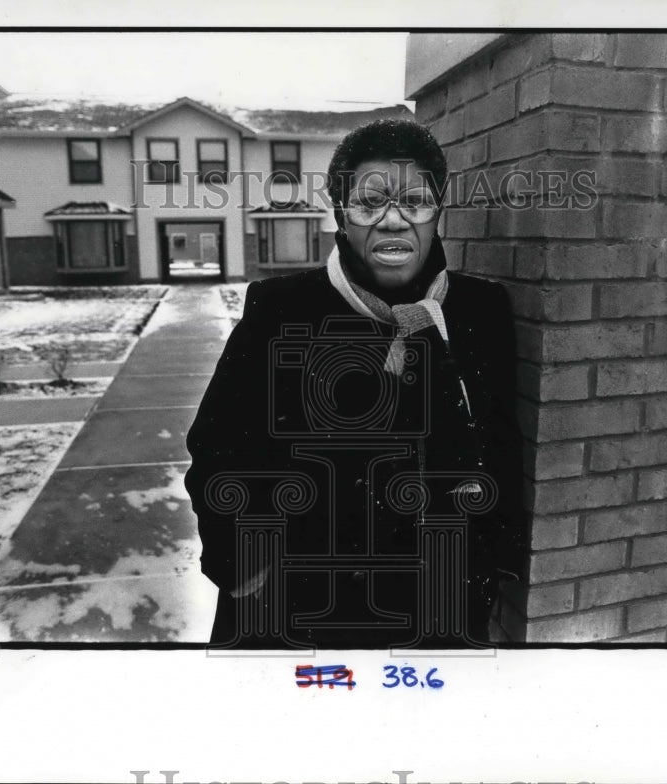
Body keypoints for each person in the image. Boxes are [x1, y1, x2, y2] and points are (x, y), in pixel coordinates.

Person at [185, 119, 527, 648]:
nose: (393, 221)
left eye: (414, 201)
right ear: (342, 216)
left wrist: (486, 567)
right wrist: (246, 573)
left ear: (438, 211)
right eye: (370, 203)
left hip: (437, 616)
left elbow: (500, 445)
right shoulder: (281, 311)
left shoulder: (479, 313)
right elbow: (218, 449)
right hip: (298, 614)